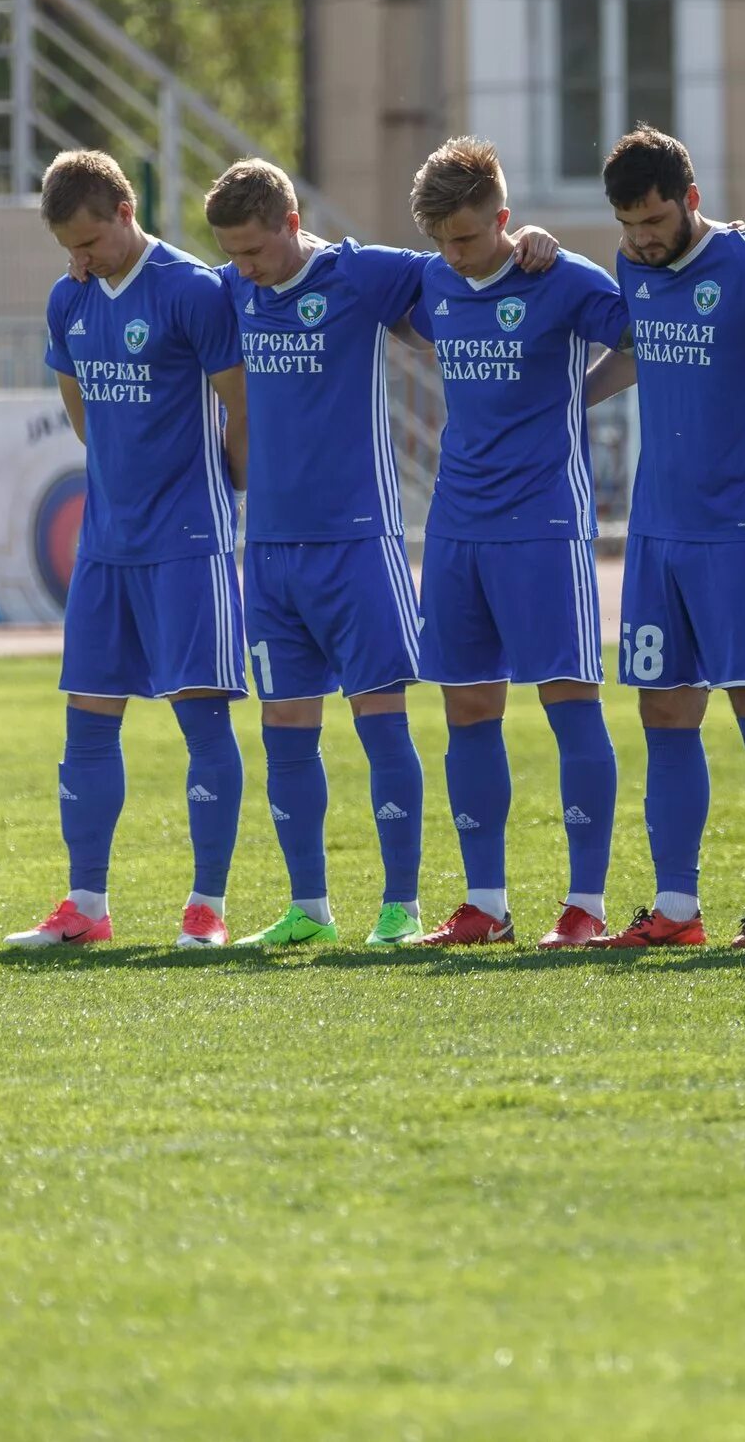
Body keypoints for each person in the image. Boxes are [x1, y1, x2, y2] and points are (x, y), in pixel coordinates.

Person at [196, 158, 558, 948]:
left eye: (254, 250)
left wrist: (530, 238)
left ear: (292, 225)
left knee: (381, 719)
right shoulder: (232, 289)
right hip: (271, 548)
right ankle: (308, 907)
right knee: (284, 725)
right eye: (230, 254)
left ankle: (401, 906)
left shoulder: (361, 276)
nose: (243, 268)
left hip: (359, 542)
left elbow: (471, 264)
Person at [7, 150, 249, 949]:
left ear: (124, 210)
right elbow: (76, 402)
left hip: (188, 541)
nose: (80, 259)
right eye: (67, 248)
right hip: (107, 545)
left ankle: (206, 907)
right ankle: (86, 905)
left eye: (89, 241)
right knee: (86, 723)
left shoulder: (191, 288)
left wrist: (224, 488)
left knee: (203, 722)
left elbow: (238, 404)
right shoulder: (67, 300)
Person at [580, 126, 745, 951]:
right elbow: (638, 348)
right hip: (656, 533)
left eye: (653, 220)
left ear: (691, 201)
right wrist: (565, 398)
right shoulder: (630, 268)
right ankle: (677, 909)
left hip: (742, 532)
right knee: (664, 715)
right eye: (627, 224)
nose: (641, 239)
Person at [402, 137, 631, 949]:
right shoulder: (434, 276)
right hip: (457, 525)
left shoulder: (558, 277)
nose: (454, 256)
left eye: (467, 237)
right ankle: (486, 903)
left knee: (569, 703)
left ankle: (585, 904)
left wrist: (577, 394)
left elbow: (641, 329)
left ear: (502, 218)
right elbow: (343, 276)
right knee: (467, 708)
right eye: (441, 241)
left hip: (543, 524)